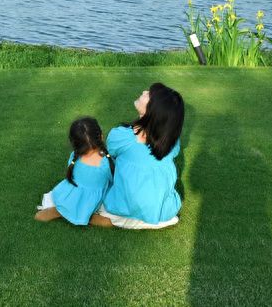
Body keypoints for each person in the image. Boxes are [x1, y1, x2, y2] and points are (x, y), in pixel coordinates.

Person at [91, 84, 184, 229]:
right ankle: (148, 218)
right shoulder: (172, 142)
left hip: (124, 205)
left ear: (152, 110)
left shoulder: (122, 136)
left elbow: (110, 152)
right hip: (162, 210)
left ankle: (120, 217)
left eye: (149, 94)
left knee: (97, 166)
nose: (144, 91)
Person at [34, 116, 112, 224]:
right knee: (107, 211)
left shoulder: (74, 157)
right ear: (101, 136)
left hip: (69, 192)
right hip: (91, 200)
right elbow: (113, 179)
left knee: (72, 202)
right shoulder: (106, 162)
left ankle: (62, 211)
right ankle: (87, 216)